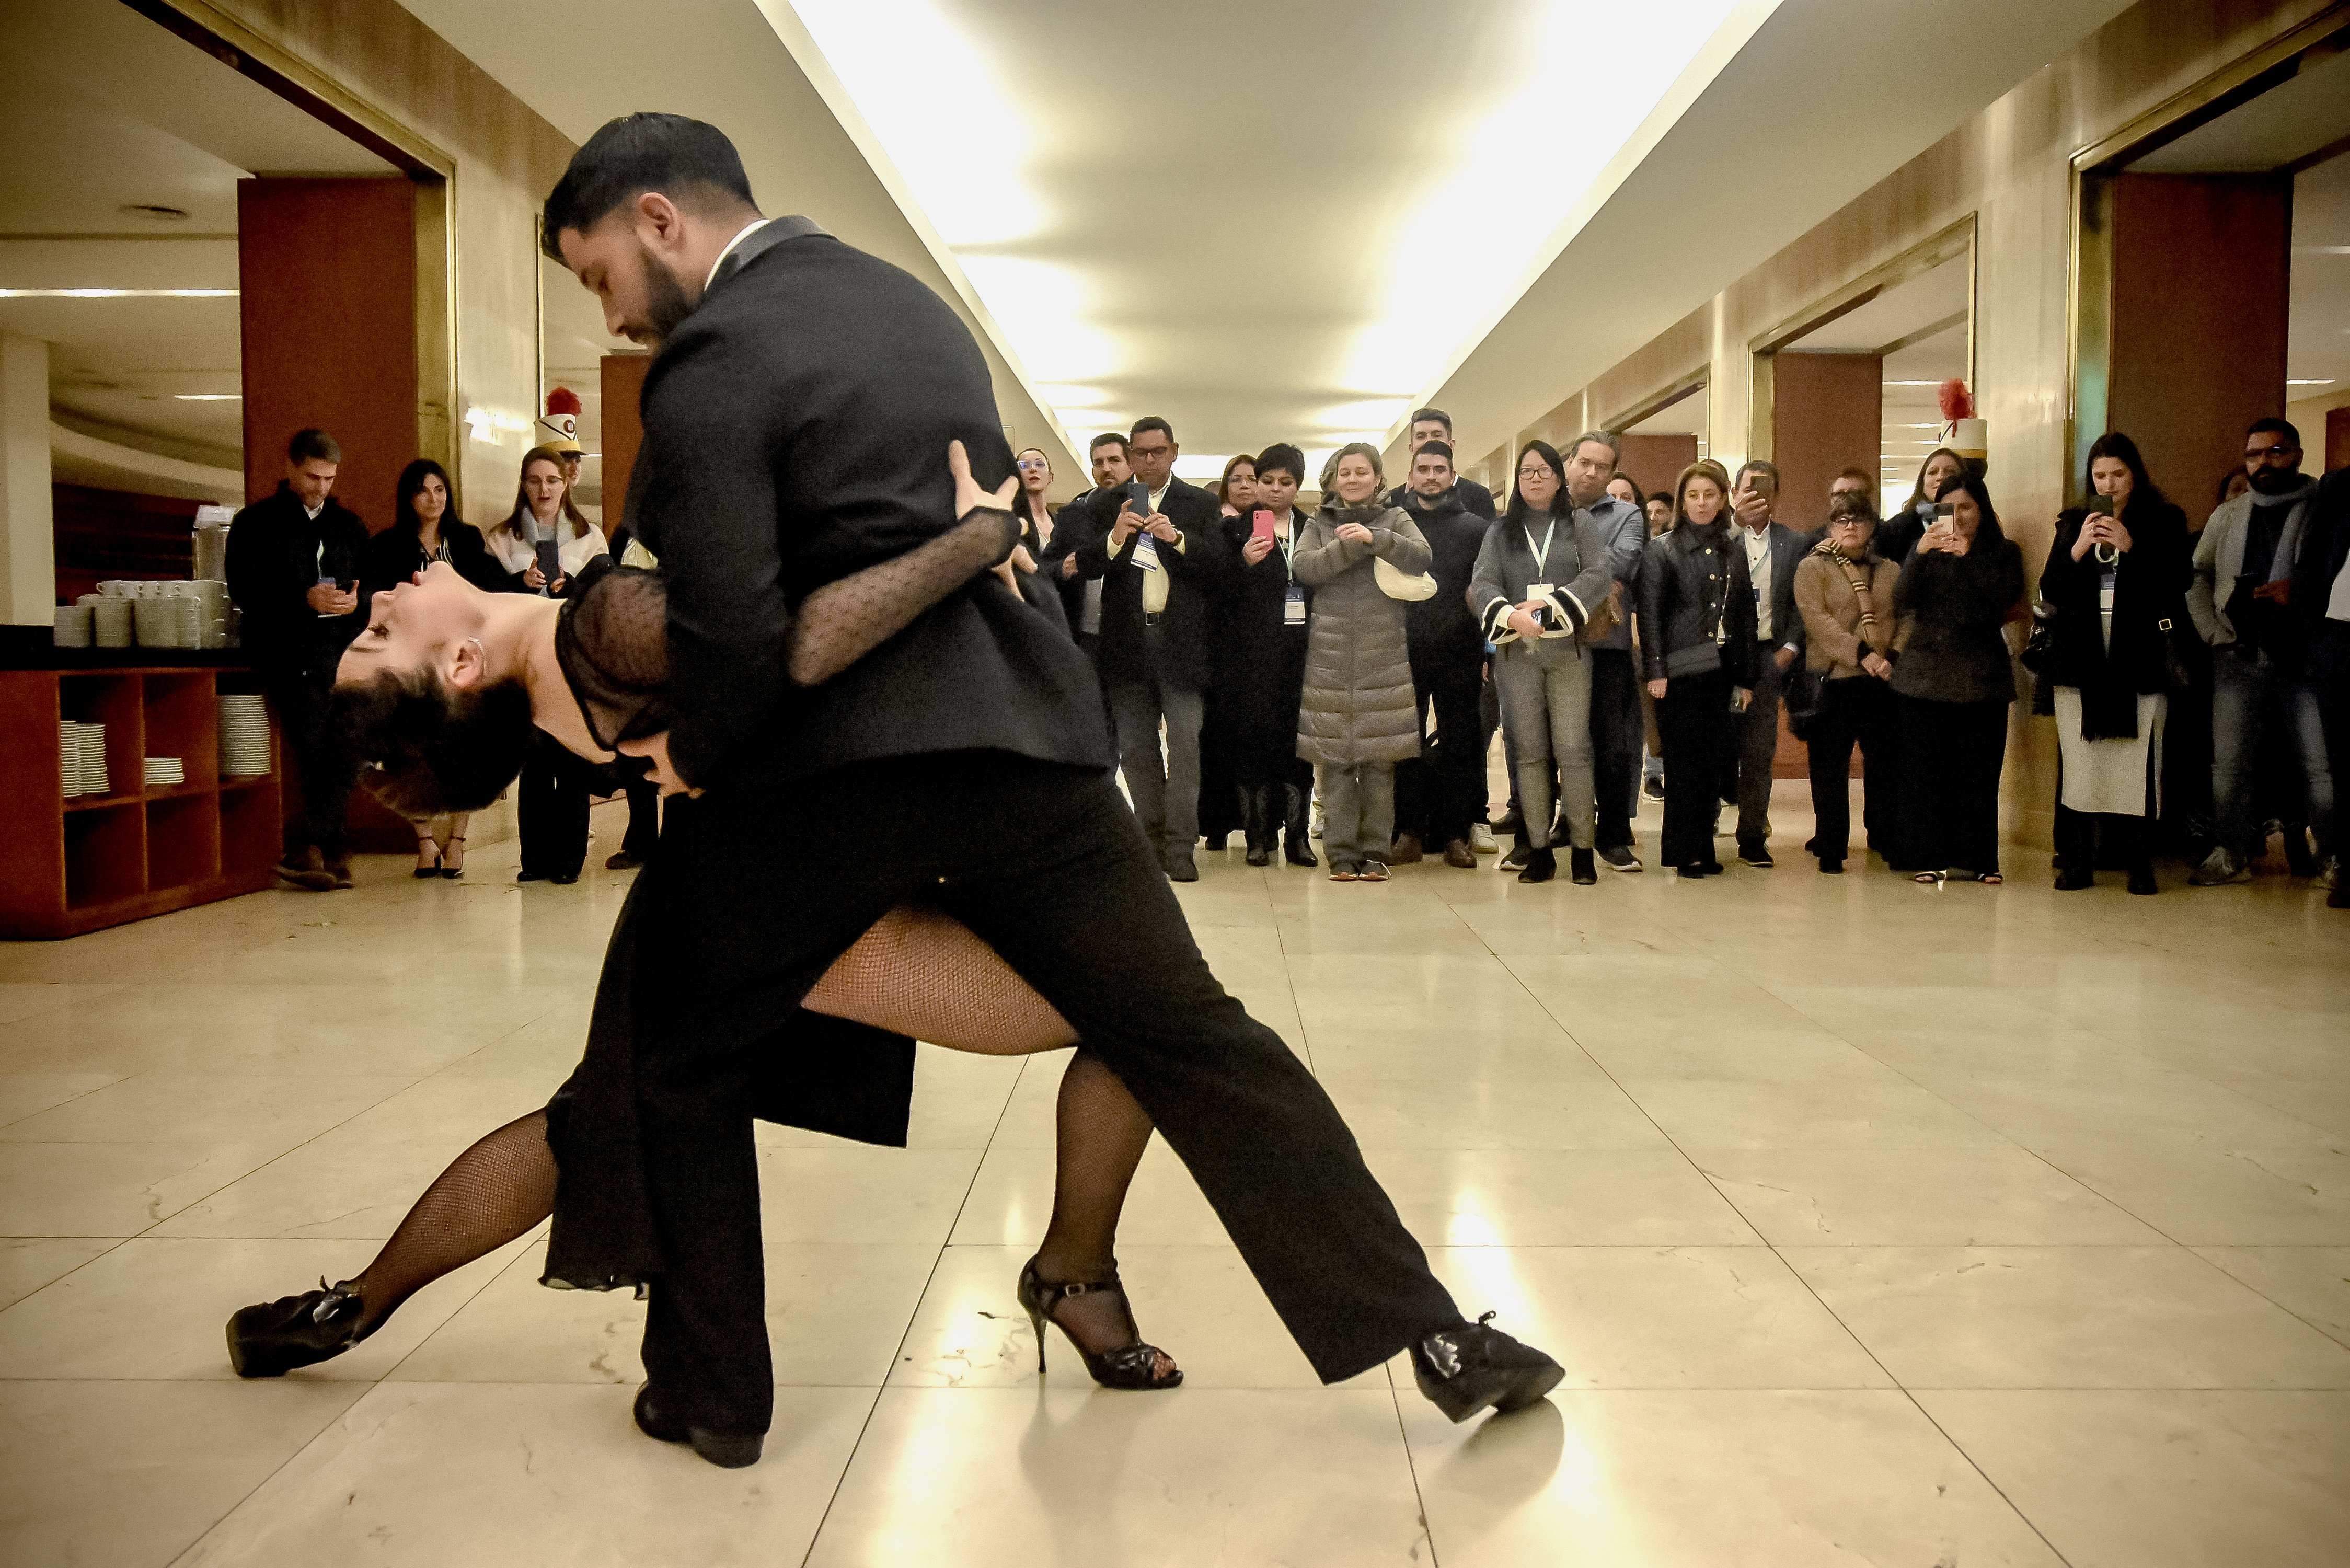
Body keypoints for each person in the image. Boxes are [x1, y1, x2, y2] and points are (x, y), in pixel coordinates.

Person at [534, 113, 1556, 1455]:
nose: (610, 312)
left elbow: (733, 633)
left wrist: (687, 754)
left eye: (597, 269)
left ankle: (715, 1395)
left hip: (842, 768)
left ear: (659, 218)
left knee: (674, 1044)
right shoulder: (915, 306)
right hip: (1028, 741)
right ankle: (1436, 1329)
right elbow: (964, 534)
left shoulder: (713, 360)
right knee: (1196, 1035)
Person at [234, 451, 1185, 1401]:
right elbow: (814, 642)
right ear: (461, 663)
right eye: (381, 635)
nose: (384, 600)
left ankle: (352, 1305)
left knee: (596, 1123)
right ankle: (1072, 1274)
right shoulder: (603, 626)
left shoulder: (558, 665)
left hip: (747, 892)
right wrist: (977, 537)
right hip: (787, 899)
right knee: (1135, 1020)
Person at [1067, 417, 1226, 882]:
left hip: (1181, 644)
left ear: (1174, 451)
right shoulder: (1105, 504)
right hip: (1126, 643)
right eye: (1140, 452)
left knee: (1185, 747)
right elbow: (1085, 564)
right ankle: (1149, 841)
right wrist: (1116, 536)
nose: (1149, 460)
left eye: (1158, 451)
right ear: (1131, 456)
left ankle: (1182, 846)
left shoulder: (1198, 503)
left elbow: (1218, 566)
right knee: (1137, 750)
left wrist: (1175, 538)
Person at [2186, 418, 2332, 887]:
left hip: (2303, 659)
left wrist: (2303, 591)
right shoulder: (2229, 515)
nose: (2263, 462)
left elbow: (2339, 578)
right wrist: (2213, 632)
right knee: (2228, 765)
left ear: (2297, 455)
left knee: (2318, 765)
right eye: (2253, 455)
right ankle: (2229, 854)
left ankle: (2334, 857)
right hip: (2237, 657)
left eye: (2274, 452)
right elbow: (2198, 576)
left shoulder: (2325, 510)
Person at [2043, 433, 2189, 895]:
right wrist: (2077, 547)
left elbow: (2177, 581)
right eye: (2100, 475)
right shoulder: (2073, 521)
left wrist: (2132, 547)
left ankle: (2140, 864)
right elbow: (2051, 590)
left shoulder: (2164, 519)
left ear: (2135, 474)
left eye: (2119, 475)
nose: (2109, 485)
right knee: (2082, 763)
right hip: (2081, 658)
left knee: (2140, 761)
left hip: (2139, 657)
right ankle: (2079, 861)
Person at [225, 427, 368, 892]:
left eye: (329, 478)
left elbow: (370, 588)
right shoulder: (256, 523)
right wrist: (303, 599)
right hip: (287, 650)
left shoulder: (348, 526)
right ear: (290, 468)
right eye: (313, 477)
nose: (321, 487)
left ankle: (315, 843)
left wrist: (354, 603)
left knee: (349, 746)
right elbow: (246, 592)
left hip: (340, 653)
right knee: (311, 744)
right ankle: (324, 847)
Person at [1471, 440, 1616, 884]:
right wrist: (1513, 615)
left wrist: (1552, 610)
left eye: (1543, 470)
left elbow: (1599, 574)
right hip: (1517, 654)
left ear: (1559, 477)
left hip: (1569, 652)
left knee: (1574, 750)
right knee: (1528, 753)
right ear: (1517, 482)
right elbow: (1481, 584)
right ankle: (1538, 852)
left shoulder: (1579, 522)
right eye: (1526, 472)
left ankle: (1583, 853)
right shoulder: (1500, 531)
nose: (1535, 478)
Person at [1295, 444, 1432, 881]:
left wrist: (1377, 538)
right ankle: (1340, 853)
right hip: (1328, 658)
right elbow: (1304, 568)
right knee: (1335, 762)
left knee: (1379, 762)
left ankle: (1375, 852)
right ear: (1333, 480)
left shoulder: (1394, 518)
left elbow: (1422, 556)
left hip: (1384, 654)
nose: (1352, 479)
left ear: (1377, 478)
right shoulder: (1318, 523)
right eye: (1344, 473)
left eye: (1361, 472)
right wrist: (1350, 548)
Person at [362, 458, 501, 877]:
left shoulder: (467, 540)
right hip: (410, 659)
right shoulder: (387, 545)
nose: (433, 498)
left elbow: (490, 591)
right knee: (409, 752)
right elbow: (375, 597)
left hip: (461, 657)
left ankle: (457, 843)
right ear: (409, 497)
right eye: (424, 491)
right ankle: (424, 841)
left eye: (440, 490)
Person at [484, 445, 613, 884]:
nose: (544, 489)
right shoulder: (502, 539)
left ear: (566, 485)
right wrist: (518, 583)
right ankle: (535, 860)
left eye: (553, 481)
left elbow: (604, 599)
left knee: (572, 759)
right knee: (533, 764)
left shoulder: (589, 536)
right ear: (523, 484)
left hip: (571, 662)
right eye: (535, 480)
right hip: (524, 663)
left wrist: (571, 586)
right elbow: (486, 601)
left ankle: (569, 861)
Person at [1891, 470, 2023, 883]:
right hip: (1925, 673)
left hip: (1982, 673)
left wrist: (1969, 557)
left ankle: (1980, 859)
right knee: (1927, 772)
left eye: (1967, 507)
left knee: (1980, 771)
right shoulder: (1925, 548)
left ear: (1982, 511)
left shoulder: (2002, 552)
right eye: (1949, 508)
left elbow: (2003, 598)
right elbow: (1902, 600)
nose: (1959, 517)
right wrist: (1919, 553)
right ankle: (1928, 856)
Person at [1637, 460, 1756, 877]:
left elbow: (1744, 618)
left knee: (1714, 764)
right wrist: (1655, 671)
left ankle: (1705, 848)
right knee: (1683, 767)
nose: (1701, 503)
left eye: (1709, 495)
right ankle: (1683, 851)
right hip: (1679, 671)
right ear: (1681, 500)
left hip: (1723, 671)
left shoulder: (1733, 549)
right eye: (1693, 495)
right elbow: (1649, 615)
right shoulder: (1662, 551)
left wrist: (1745, 677)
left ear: (1723, 498)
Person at [1216, 443, 1319, 867]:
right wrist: (1242, 563)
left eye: (1286, 482)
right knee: (1253, 743)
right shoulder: (1233, 530)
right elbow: (1216, 593)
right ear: (1256, 483)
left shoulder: (1313, 530)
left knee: (1299, 745)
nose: (1276, 490)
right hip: (1250, 656)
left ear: (1298, 486)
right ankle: (1257, 835)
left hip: (1304, 653)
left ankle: (1297, 836)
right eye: (1268, 481)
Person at [1392, 440, 1490, 869]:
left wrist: (1488, 649)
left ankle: (1455, 834)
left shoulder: (1476, 528)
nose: (1431, 476)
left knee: (1462, 743)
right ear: (1410, 475)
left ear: (1452, 475)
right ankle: (1408, 832)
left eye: (1440, 469)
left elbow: (1487, 592)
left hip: (1461, 650)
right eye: (1423, 468)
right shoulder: (1395, 525)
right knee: (1404, 741)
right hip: (1403, 648)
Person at [1792, 491, 1901, 873]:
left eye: (1858, 519)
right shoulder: (1813, 568)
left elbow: (1906, 618)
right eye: (1842, 520)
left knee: (1886, 766)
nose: (1851, 526)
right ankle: (1831, 846)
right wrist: (1862, 654)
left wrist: (1892, 657)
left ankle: (1886, 838)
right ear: (1830, 527)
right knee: (1829, 769)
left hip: (1882, 682)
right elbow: (1817, 620)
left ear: (1872, 527)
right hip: (1834, 679)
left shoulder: (1890, 570)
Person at [1558, 431, 1651, 873]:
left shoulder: (1630, 515)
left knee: (1611, 744)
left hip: (1607, 644)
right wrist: (1595, 574)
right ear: (1569, 463)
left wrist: (1568, 569)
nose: (1592, 472)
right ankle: (1566, 820)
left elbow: (1624, 565)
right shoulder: (1544, 508)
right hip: (1554, 641)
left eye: (1602, 466)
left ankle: (1613, 835)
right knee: (1561, 738)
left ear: (1612, 473)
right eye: (1585, 463)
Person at [1715, 459, 1808, 868]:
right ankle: (1704, 826)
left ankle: (1752, 834)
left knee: (1757, 751)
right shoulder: (1717, 537)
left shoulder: (1794, 542)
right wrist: (1735, 523)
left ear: (1777, 495)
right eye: (1747, 488)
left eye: (1765, 489)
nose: (1757, 496)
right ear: (1735, 494)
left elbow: (1806, 598)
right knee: (1717, 748)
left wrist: (1790, 646)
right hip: (1718, 658)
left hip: (1768, 657)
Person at [1195, 453, 1261, 853]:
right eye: (1235, 479)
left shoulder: (1270, 527)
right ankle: (1215, 824)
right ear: (1225, 485)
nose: (1244, 485)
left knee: (1252, 737)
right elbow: (1207, 580)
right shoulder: (1210, 526)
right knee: (1214, 736)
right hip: (1216, 644)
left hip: (1259, 646)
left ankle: (1258, 825)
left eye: (1252, 478)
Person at [2295, 465, 2350, 908]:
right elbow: (2313, 560)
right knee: (2342, 758)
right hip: (2341, 636)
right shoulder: (2340, 486)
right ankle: (2346, 866)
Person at [1390, 408, 1497, 519]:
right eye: (1421, 436)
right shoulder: (1397, 497)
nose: (1429, 441)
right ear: (1411, 448)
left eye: (1437, 435)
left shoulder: (1478, 495)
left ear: (1451, 445)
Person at [1880, 448, 1966, 564]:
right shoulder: (1898, 527)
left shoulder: (1977, 522)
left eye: (1950, 472)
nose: (1940, 477)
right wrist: (1918, 553)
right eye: (1933, 472)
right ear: (1923, 482)